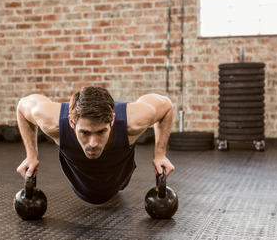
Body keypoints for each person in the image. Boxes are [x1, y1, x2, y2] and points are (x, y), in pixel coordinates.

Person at [16, 86, 174, 204]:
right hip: (80, 183)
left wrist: (160, 154)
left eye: (101, 132)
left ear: (112, 120)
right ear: (72, 122)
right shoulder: (54, 122)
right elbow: (23, 106)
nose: (93, 143)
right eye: (84, 132)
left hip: (120, 176)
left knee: (119, 185)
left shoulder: (132, 121)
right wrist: (31, 155)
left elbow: (166, 106)